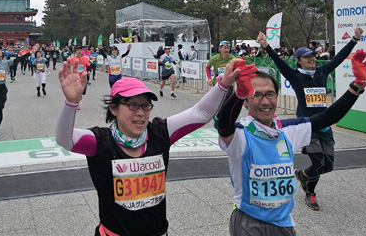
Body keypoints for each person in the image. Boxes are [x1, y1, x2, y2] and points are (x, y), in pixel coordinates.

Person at [56, 58, 252, 236]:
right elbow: (66, 139)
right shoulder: (101, 141)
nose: (141, 113)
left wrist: (224, 84)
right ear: (114, 109)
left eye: (145, 106)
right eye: (132, 105)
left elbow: (200, 113)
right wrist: (71, 103)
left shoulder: (159, 133)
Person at [216, 49, 366, 234]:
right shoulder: (240, 134)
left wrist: (357, 86)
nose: (265, 101)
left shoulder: (288, 130)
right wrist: (238, 93)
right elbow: (224, 125)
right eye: (257, 95)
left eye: (270, 94)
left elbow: (329, 116)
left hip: (283, 223)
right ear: (246, 101)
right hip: (249, 221)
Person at [257, 27, 363, 211]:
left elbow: (338, 59)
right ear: (298, 61)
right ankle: (310, 193)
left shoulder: (322, 72)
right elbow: (280, 63)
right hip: (307, 126)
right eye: (307, 57)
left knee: (328, 165)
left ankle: (304, 175)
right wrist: (266, 46)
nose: (312, 59)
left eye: (313, 56)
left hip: (325, 123)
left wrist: (354, 39)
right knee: (319, 162)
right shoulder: (295, 76)